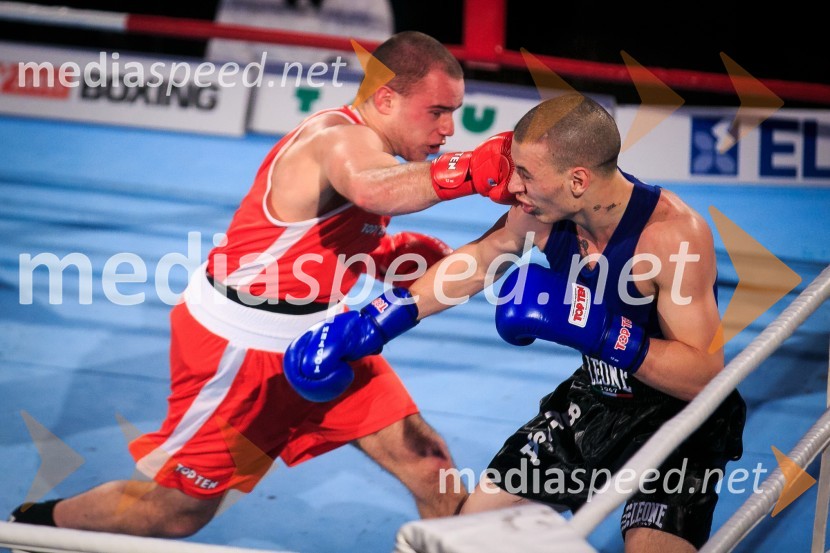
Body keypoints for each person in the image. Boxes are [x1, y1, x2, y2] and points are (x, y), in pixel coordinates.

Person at [9, 31, 516, 538]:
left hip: (326, 335)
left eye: (454, 112)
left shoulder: (374, 148)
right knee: (173, 512)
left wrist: (382, 254)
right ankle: (33, 528)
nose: (449, 128)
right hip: (239, 349)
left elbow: (320, 232)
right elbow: (371, 188)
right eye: (437, 112)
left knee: (428, 462)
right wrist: (470, 170)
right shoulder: (338, 139)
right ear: (386, 99)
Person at [283, 94, 746, 552]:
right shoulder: (541, 211)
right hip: (596, 399)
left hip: (678, 419)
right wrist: (377, 320)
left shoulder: (671, 237)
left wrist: (605, 333)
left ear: (577, 180)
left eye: (525, 173)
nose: (511, 185)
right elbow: (481, 260)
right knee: (471, 535)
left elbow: (703, 377)